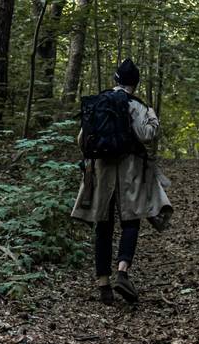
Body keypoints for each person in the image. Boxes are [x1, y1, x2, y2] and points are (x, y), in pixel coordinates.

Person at [71, 58, 172, 305]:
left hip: (101, 170)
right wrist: (152, 117)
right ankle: (123, 272)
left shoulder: (100, 102)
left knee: (103, 225)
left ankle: (103, 285)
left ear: (115, 80)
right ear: (134, 84)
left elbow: (82, 140)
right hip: (130, 169)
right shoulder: (136, 106)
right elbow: (146, 134)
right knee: (131, 220)